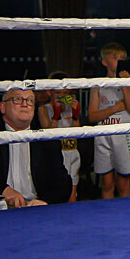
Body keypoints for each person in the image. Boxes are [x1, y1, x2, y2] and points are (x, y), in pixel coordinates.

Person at [0, 89, 71, 207]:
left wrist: (45, 201)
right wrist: (3, 190)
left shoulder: (47, 140)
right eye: (18, 99)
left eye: (30, 100)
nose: (25, 104)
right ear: (2, 107)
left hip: (34, 208)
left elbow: (64, 183)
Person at [88, 43, 130, 199]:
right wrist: (115, 108)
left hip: (124, 135)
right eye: (115, 58)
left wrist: (125, 85)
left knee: (123, 183)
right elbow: (92, 116)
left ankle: (126, 217)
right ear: (105, 62)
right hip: (104, 134)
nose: (119, 61)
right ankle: (108, 219)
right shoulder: (98, 85)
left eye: (122, 58)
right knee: (107, 183)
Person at [37, 71, 81, 202]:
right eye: (58, 93)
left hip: (72, 151)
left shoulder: (70, 107)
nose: (61, 96)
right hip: (55, 153)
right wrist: (56, 115)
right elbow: (47, 134)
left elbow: (77, 132)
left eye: (65, 93)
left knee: (73, 193)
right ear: (50, 92)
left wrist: (75, 114)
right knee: (57, 192)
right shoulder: (44, 109)